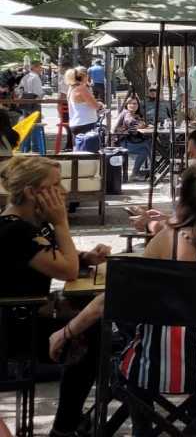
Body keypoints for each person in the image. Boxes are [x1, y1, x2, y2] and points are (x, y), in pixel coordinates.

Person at [51, 162, 196, 436]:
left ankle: (144, 427)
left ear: (186, 196)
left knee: (136, 335)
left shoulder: (169, 238)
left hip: (155, 367)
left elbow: (110, 300)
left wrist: (66, 331)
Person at [0, 156, 112, 437]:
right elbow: (67, 270)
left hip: (29, 317)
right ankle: (65, 427)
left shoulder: (34, 225)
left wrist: (87, 256)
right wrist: (62, 223)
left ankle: (74, 420)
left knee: (90, 320)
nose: (63, 191)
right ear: (31, 192)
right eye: (55, 185)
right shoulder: (14, 230)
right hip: (13, 329)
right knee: (91, 334)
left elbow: (64, 260)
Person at [112, 94, 152, 181]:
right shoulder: (126, 113)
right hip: (123, 143)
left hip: (131, 141)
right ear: (127, 105)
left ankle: (135, 174)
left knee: (145, 151)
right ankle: (154, 170)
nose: (133, 105)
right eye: (131, 103)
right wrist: (138, 127)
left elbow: (140, 125)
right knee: (148, 144)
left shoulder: (135, 114)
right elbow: (116, 129)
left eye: (135, 104)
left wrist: (143, 125)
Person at [66, 67, 103, 149]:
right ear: (84, 76)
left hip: (75, 122)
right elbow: (95, 105)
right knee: (88, 152)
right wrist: (100, 104)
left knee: (79, 148)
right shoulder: (82, 89)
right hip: (86, 123)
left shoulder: (71, 88)